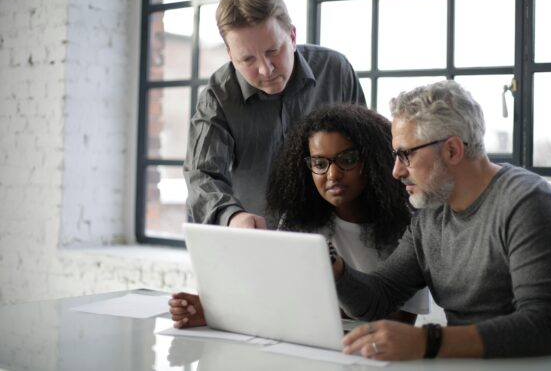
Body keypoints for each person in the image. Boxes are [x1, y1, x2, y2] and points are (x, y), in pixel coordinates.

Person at [336, 80, 551, 360]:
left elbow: (544, 328)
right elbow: (379, 297)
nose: (396, 171)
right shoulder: (430, 214)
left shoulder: (529, 202)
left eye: (405, 155)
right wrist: (335, 270)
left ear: (452, 150)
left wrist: (426, 341)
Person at [169, 104, 430, 328]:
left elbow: (397, 322)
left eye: (347, 159)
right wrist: (215, 312)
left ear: (373, 161)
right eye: (319, 163)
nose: (332, 175)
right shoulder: (299, 221)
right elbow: (272, 295)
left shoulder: (407, 227)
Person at [184, 0, 366, 229]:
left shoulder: (336, 70)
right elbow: (201, 175)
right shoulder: (217, 96)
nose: (265, 69)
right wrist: (232, 216)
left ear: (292, 36)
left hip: (341, 234)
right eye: (247, 59)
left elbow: (367, 151)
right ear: (230, 54)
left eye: (273, 51)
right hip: (257, 239)